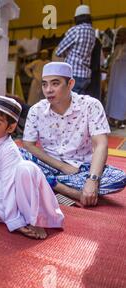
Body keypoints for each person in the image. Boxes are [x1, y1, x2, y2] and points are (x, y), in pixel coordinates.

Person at [21, 62, 126, 207]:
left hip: (81, 170)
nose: (48, 90)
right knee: (18, 155)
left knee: (118, 178)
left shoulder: (91, 105)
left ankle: (44, 183)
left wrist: (92, 180)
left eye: (55, 83)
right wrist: (62, 167)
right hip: (49, 165)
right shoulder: (36, 110)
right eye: (44, 84)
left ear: (70, 84)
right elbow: (28, 144)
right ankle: (66, 190)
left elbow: (100, 144)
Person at [0, 96, 64, 240]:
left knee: (25, 168)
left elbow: (9, 185)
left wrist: (14, 222)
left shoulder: (8, 149)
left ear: (10, 127)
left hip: (16, 188)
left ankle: (32, 220)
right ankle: (18, 215)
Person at [56, 4, 96, 95]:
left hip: (73, 73)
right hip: (85, 75)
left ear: (77, 18)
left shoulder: (75, 30)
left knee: (69, 104)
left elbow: (59, 51)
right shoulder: (92, 32)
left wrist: (67, 53)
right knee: (79, 105)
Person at [105, 27, 126, 128]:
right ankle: (112, 118)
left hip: (123, 78)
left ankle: (121, 119)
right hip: (115, 78)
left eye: (120, 35)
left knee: (122, 97)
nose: (118, 37)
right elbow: (112, 62)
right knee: (112, 97)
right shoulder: (117, 48)